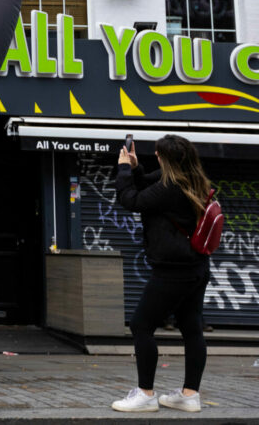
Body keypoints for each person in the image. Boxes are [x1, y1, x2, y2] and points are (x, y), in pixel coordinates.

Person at [110, 134, 211, 413]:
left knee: (141, 325)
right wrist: (135, 167)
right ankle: (190, 395)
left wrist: (121, 168)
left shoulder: (170, 187)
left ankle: (145, 394)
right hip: (197, 267)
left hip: (173, 271)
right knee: (191, 327)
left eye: (157, 154)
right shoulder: (192, 178)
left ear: (165, 158)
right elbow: (146, 185)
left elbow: (131, 199)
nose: (155, 157)